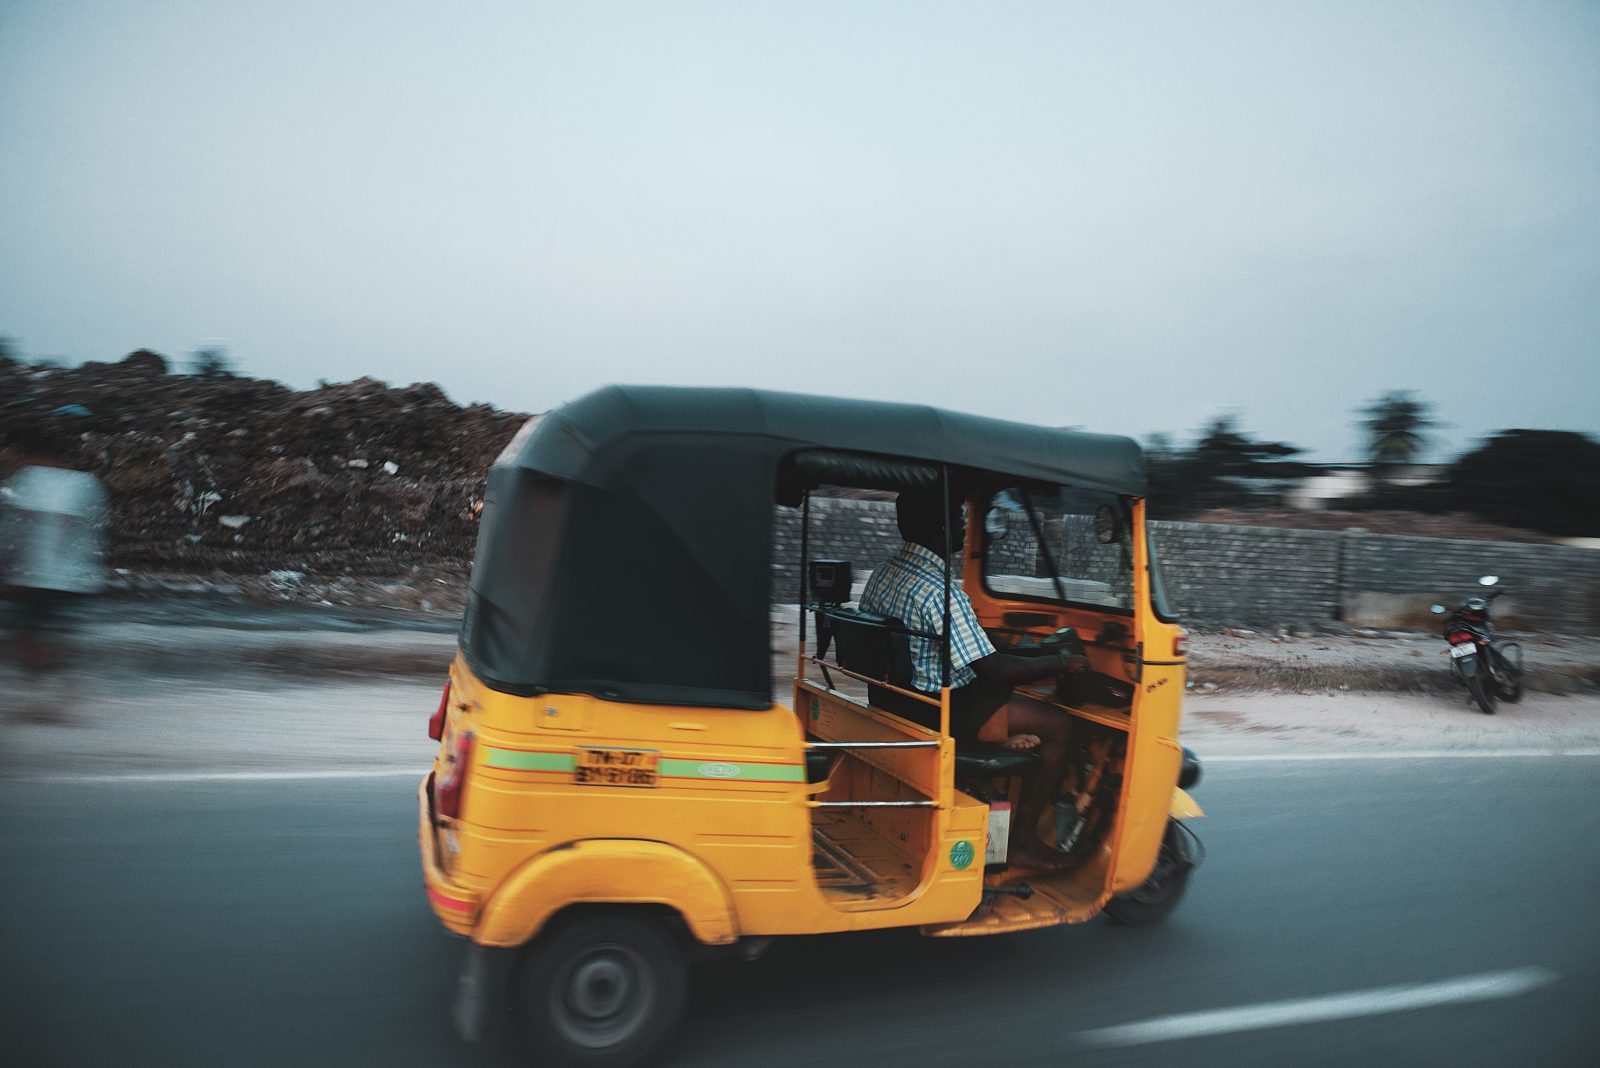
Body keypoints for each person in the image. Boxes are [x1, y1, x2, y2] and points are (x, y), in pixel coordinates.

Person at [859, 488, 1085, 868]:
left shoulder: (884, 573)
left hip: (898, 700)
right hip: (944, 712)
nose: (965, 528)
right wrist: (1061, 662)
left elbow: (949, 639)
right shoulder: (940, 592)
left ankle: (999, 738)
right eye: (960, 519)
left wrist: (1004, 645)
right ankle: (1023, 840)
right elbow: (994, 669)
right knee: (1060, 724)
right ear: (941, 527)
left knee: (1004, 686)